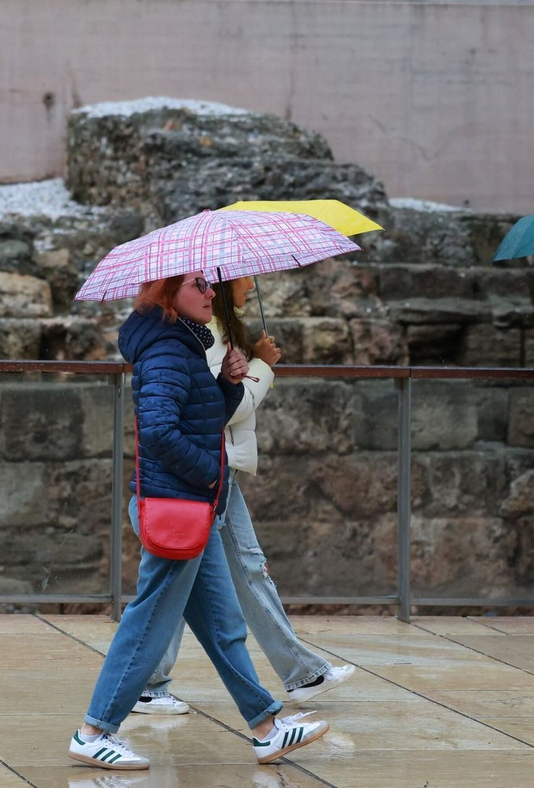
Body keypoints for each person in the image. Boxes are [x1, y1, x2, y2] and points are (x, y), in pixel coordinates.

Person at [69, 272, 329, 772]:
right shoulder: (167, 349)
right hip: (178, 505)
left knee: (223, 625)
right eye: (199, 285)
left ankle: (267, 728)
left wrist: (228, 384)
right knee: (147, 623)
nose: (212, 293)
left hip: (193, 505)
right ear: (168, 292)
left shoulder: (185, 344)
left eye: (211, 285)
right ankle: (93, 731)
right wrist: (212, 472)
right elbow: (160, 429)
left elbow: (201, 418)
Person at [132, 278, 356, 718]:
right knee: (191, 578)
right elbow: (222, 409)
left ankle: (153, 683)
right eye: (243, 277)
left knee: (186, 579)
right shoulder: (202, 332)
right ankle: (138, 694)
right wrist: (263, 366)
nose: (250, 284)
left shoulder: (214, 328)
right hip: (210, 471)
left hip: (216, 469)